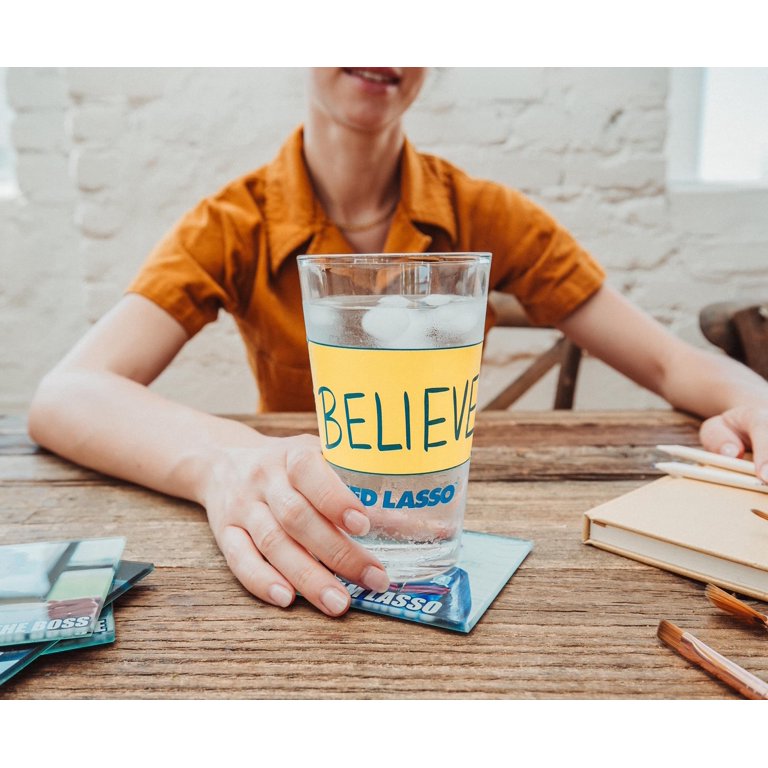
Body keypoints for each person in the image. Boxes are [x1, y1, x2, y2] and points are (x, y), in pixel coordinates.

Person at [28, 68, 768, 618]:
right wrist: (228, 461)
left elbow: (669, 359)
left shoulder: (484, 212)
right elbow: (68, 393)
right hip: (315, 550)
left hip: (440, 533)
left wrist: (753, 396)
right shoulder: (234, 222)